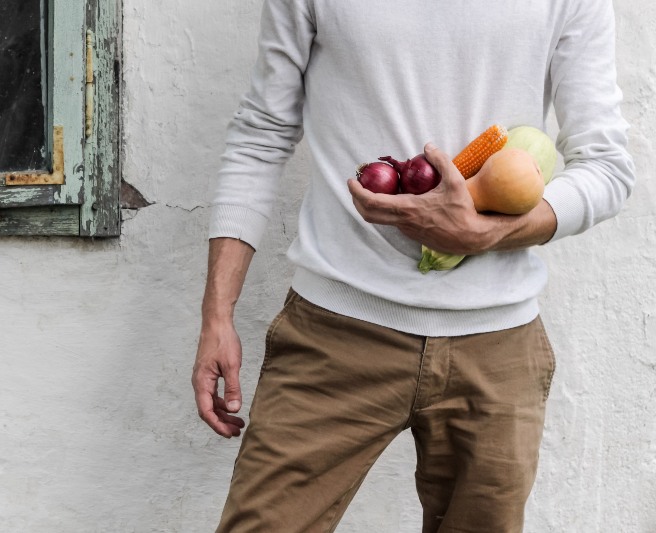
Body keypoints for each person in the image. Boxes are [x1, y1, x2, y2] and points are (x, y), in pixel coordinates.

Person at [191, 0, 635, 531]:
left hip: (497, 351)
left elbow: (606, 166)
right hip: (333, 336)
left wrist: (487, 233)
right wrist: (217, 314)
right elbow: (260, 136)